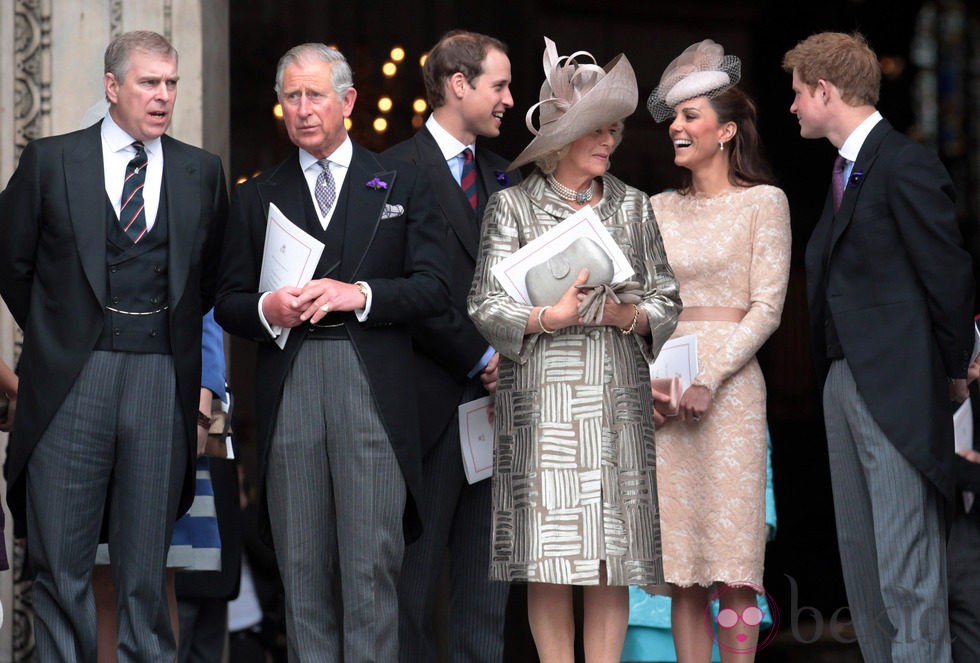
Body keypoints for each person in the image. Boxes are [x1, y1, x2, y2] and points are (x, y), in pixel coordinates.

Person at [214, 42, 450, 662]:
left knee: (371, 569)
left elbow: (435, 288)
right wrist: (268, 309)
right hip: (291, 380)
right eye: (291, 96)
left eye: (315, 94)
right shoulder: (257, 194)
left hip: (370, 379)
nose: (302, 108)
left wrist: (360, 293)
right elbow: (228, 301)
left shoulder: (402, 181)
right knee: (301, 569)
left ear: (347, 100)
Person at [0, 29, 228, 661]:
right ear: (111, 87)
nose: (163, 96)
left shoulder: (201, 172)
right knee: (61, 566)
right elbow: (11, 261)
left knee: (144, 574)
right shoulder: (51, 160)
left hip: (161, 378)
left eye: (172, 83)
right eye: (148, 82)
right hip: (73, 378)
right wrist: (57, 331)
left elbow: (208, 282)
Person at [468, 37, 681, 663]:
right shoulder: (512, 206)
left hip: (614, 397)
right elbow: (483, 303)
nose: (608, 142)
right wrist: (543, 315)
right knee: (549, 556)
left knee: (609, 554)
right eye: (596, 130)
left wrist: (629, 314)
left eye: (612, 130)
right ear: (561, 137)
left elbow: (669, 297)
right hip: (542, 402)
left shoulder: (633, 206)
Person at [783, 31, 974, 662]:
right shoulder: (845, 170)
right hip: (843, 381)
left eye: (797, 93)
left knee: (906, 570)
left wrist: (951, 371)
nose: (792, 106)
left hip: (896, 386)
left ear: (825, 90)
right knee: (864, 572)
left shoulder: (905, 163)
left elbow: (948, 277)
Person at [643, 40, 791, 662]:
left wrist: (710, 374)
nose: (677, 127)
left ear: (726, 130)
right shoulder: (655, 208)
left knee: (733, 567)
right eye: (674, 118)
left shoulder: (765, 202)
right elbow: (644, 305)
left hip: (729, 395)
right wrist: (647, 383)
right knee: (681, 570)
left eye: (691, 117)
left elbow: (768, 308)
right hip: (664, 393)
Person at [383, 29, 521, 662]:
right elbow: (408, 293)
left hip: (500, 414)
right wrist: (481, 356)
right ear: (458, 85)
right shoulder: (390, 172)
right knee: (409, 593)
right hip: (428, 409)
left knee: (484, 596)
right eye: (499, 86)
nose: (509, 101)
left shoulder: (505, 178)